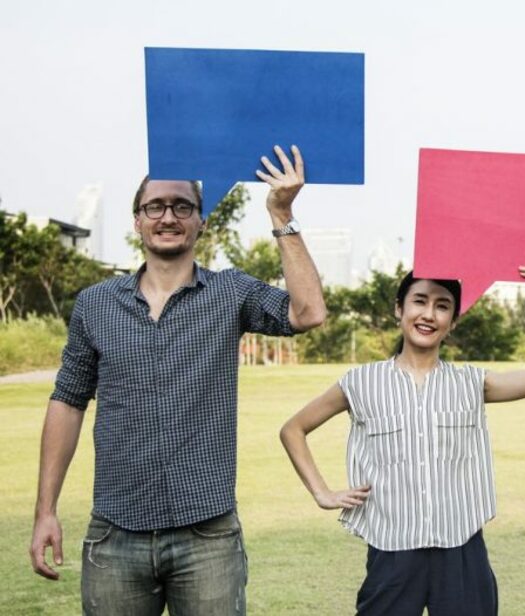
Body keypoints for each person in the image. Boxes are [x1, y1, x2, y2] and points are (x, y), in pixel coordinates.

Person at [29, 146, 326, 615]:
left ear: (201, 221)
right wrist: (45, 510)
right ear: (138, 221)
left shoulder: (231, 292)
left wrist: (282, 212)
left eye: (182, 206)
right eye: (156, 206)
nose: (168, 216)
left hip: (207, 535)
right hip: (115, 533)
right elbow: (67, 403)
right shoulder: (95, 305)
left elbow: (308, 312)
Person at [279, 259, 525, 616]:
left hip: (462, 551)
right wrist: (322, 492)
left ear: (453, 321)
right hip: (392, 553)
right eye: (419, 301)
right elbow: (293, 429)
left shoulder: (473, 383)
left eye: (442, 306)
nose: (429, 313)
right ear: (399, 309)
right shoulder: (361, 383)